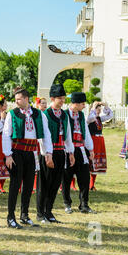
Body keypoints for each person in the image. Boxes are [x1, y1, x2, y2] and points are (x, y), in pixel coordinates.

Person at [3, 87, 53, 229]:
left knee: (29, 185)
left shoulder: (38, 114)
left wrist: (48, 152)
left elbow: (46, 134)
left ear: (26, 99)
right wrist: (7, 155)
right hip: (17, 152)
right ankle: (10, 217)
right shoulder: (12, 114)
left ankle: (24, 215)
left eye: (19, 99)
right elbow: (6, 134)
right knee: (15, 185)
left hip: (32, 153)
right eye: (15, 99)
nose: (16, 102)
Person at [36, 84, 75, 224]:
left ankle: (49, 211)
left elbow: (68, 134)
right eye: (60, 98)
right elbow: (41, 137)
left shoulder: (64, 115)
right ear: (52, 98)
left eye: (63, 98)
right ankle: (40, 214)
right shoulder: (45, 114)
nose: (62, 101)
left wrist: (70, 152)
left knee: (55, 183)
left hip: (60, 152)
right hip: (48, 153)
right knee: (44, 183)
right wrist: (47, 154)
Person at [62, 92, 95, 214]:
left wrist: (90, 148)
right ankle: (67, 204)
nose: (84, 106)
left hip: (80, 149)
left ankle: (84, 204)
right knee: (66, 177)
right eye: (82, 103)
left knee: (84, 177)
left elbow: (85, 132)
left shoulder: (81, 115)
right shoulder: (64, 115)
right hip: (67, 150)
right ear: (75, 103)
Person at [87, 101, 113, 191]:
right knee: (89, 162)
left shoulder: (99, 119)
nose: (98, 111)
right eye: (97, 110)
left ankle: (92, 184)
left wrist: (106, 105)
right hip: (92, 140)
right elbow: (91, 117)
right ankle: (77, 184)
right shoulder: (89, 118)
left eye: (99, 110)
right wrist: (93, 107)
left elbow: (109, 116)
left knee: (97, 163)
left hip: (99, 141)